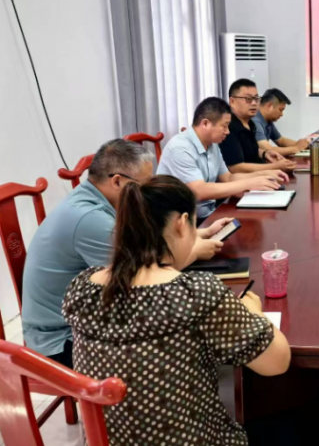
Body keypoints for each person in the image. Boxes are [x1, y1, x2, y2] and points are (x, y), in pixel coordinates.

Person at [63, 175, 291, 446]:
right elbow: (277, 363)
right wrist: (254, 312)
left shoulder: (83, 288)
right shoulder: (196, 294)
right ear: (182, 223)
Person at [21, 139, 228, 368]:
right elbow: (143, 277)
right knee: (183, 340)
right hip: (62, 341)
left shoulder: (98, 199)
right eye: (145, 184)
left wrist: (196, 233)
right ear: (117, 181)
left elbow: (145, 244)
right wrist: (194, 251)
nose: (148, 193)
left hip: (87, 320)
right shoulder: (92, 219)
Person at [158, 97, 288, 220]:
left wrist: (264, 174)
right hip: (183, 223)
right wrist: (249, 183)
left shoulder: (212, 144)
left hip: (209, 213)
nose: (227, 131)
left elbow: (228, 178)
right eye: (224, 126)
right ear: (205, 123)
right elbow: (199, 191)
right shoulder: (180, 148)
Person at [220, 79, 296, 173]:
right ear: (232, 101)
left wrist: (265, 153)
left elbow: (248, 151)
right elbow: (236, 168)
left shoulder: (250, 123)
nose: (254, 103)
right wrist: (275, 166)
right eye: (248, 99)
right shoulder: (228, 127)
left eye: (256, 99)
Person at [253, 88, 311, 156]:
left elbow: (281, 141)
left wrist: (302, 145)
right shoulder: (255, 122)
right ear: (269, 106)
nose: (282, 114)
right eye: (280, 110)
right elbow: (268, 150)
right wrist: (296, 148)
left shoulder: (267, 120)